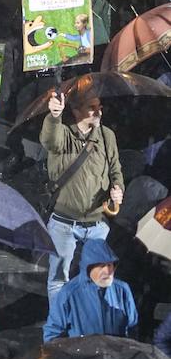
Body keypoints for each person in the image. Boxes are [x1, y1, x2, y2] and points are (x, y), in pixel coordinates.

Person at [41, 89, 124, 298]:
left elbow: (115, 170)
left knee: (99, 278)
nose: (98, 112)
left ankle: (90, 316)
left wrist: (118, 189)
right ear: (76, 111)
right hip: (64, 222)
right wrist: (54, 116)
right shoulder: (64, 134)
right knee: (58, 279)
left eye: (100, 107)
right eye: (92, 108)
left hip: (97, 223)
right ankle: (59, 319)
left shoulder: (106, 136)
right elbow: (50, 139)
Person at [43, 237, 137, 340]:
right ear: (88, 268)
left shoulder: (122, 290)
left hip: (115, 350)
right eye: (101, 266)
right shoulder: (69, 293)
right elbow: (52, 334)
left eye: (110, 265)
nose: (108, 271)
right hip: (81, 350)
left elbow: (132, 328)